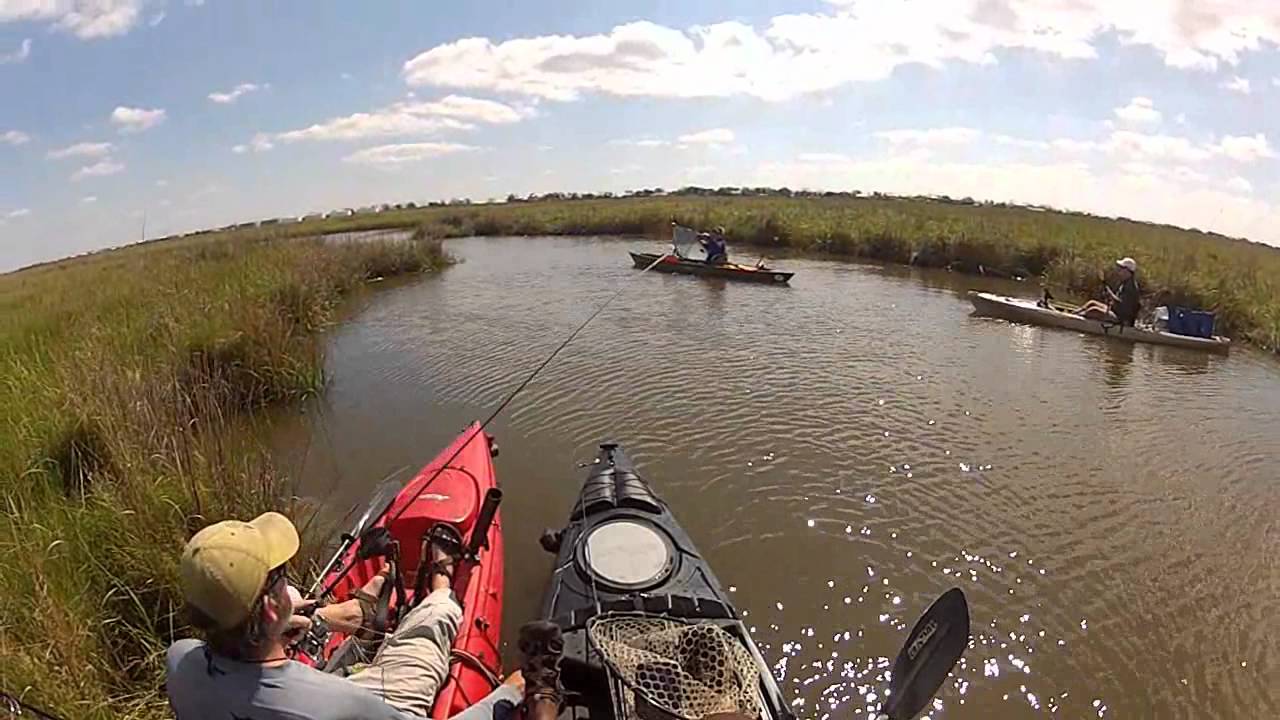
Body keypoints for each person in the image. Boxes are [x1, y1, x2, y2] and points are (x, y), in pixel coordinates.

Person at [165, 512, 554, 720]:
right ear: (269, 606)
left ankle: (364, 603)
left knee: (320, 621)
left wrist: (293, 622)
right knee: (429, 628)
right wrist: (509, 693)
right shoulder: (331, 705)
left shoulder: (180, 660)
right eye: (280, 578)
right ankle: (441, 586)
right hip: (372, 702)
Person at [1075, 257, 1141, 326]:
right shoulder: (1126, 282)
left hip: (1121, 318)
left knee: (1093, 310)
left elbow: (1122, 305)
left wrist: (1109, 294)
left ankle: (1075, 318)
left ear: (1127, 271)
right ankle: (1074, 313)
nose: (1118, 270)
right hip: (1116, 311)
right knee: (1092, 303)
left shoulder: (1131, 287)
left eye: (1121, 268)